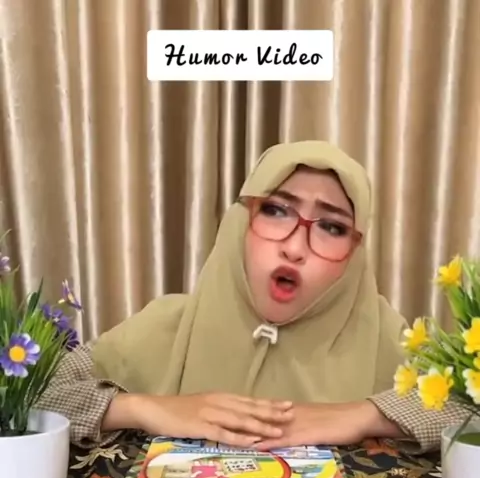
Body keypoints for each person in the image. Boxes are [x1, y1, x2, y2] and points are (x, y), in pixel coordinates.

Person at [36, 140, 468, 452]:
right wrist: (146, 409)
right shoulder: (166, 324)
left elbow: (468, 408)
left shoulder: (382, 333)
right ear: (239, 223)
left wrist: (363, 415)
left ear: (356, 254)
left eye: (332, 227)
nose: (294, 247)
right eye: (276, 211)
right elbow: (31, 395)